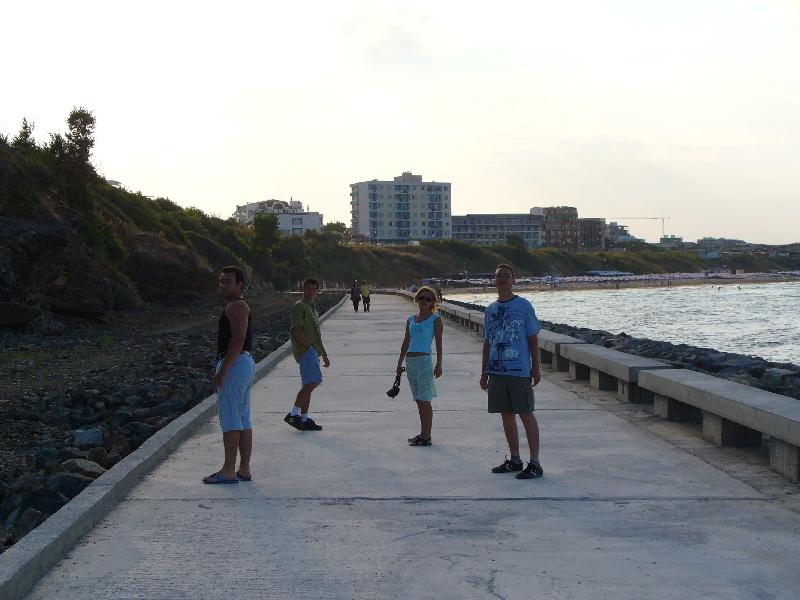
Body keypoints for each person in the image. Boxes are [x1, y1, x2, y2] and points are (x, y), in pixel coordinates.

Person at [480, 263, 544, 479]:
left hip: (519, 371)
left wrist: (535, 368)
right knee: (506, 414)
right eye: (499, 276)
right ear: (494, 281)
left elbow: (532, 338)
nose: (502, 279)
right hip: (497, 371)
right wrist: (484, 372)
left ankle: (535, 463)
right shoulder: (490, 310)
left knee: (526, 413)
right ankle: (515, 459)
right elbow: (487, 342)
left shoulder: (524, 306)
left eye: (506, 275)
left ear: (513, 280)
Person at [203, 266, 257, 484]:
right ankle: (243, 469)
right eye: (222, 281)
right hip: (242, 363)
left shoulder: (236, 306)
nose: (224, 285)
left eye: (228, 281)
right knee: (242, 417)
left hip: (235, 364)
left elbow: (238, 339)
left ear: (239, 284)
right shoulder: (238, 305)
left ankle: (228, 470)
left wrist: (223, 371)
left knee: (231, 418)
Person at [395, 286, 443, 446]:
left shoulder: (435, 319)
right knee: (418, 399)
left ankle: (426, 436)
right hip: (411, 362)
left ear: (433, 302)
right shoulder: (411, 319)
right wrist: (399, 363)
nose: (424, 301)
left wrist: (439, 364)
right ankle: (423, 434)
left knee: (424, 399)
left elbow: (439, 344)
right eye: (422, 298)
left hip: (424, 361)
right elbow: (406, 342)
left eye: (428, 299)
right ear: (417, 299)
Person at [285, 278, 330, 431]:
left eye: (314, 289)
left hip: (313, 350)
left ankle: (304, 418)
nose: (311, 291)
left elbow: (316, 334)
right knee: (314, 381)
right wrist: (309, 348)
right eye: (308, 288)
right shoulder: (299, 306)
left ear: (317, 291)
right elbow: (296, 329)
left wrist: (323, 354)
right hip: (305, 350)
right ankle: (293, 415)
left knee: (308, 384)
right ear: (303, 289)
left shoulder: (312, 308)